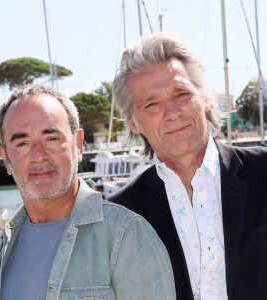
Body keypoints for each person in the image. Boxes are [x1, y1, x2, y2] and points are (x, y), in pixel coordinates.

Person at [0, 85, 176, 300]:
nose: (39, 155)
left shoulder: (127, 236)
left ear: (78, 145)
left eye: (51, 139)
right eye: (22, 143)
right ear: (5, 159)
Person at [110, 31, 267, 300]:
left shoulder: (264, 173)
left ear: (204, 99)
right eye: (152, 103)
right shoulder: (122, 214)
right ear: (134, 122)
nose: (172, 112)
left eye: (181, 93)